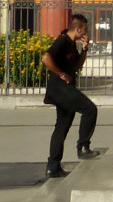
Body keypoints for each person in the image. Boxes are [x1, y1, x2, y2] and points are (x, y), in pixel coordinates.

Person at [41, 13, 100, 179]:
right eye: (85, 29)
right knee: (90, 109)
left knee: (62, 126)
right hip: (60, 88)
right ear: (78, 28)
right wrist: (60, 73)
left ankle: (53, 166)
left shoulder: (72, 44)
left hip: (64, 89)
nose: (86, 32)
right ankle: (83, 147)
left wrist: (85, 49)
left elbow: (77, 66)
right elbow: (45, 58)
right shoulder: (62, 41)